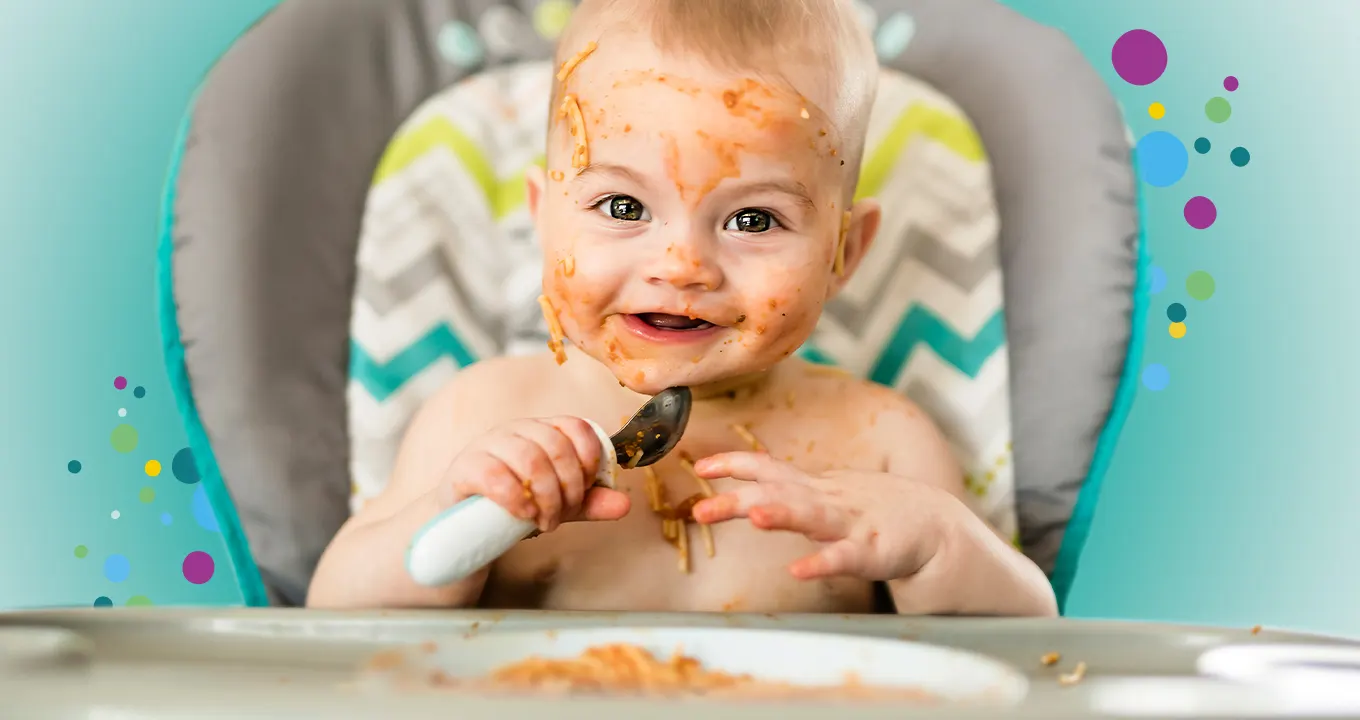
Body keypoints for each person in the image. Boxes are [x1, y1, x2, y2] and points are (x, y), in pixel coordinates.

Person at [309, 0, 1056, 617]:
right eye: (623, 205)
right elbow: (334, 612)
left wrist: (937, 546)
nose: (681, 266)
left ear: (842, 253)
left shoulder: (883, 443)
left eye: (753, 220)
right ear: (543, 217)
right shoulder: (481, 415)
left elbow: (1030, 645)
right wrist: (456, 509)